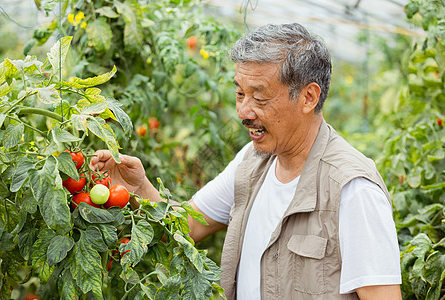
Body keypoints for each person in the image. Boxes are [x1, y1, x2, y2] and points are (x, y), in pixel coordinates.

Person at [90, 23, 402, 299]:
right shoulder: (253, 162)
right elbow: (185, 229)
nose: (244, 112)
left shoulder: (352, 189)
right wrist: (139, 187)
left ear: (308, 97)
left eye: (260, 97)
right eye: (240, 94)